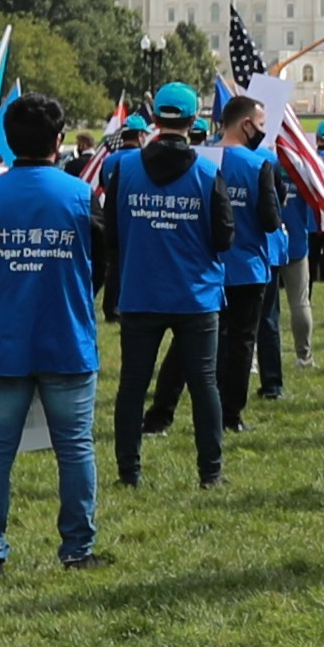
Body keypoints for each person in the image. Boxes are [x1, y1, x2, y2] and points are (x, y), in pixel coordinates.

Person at [0, 93, 104, 576]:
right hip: (66, 337)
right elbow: (102, 260)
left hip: (1, 339)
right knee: (75, 447)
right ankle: (77, 551)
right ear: (59, 141)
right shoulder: (81, 196)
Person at [100, 83, 235, 490]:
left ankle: (129, 472)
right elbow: (224, 237)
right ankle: (210, 473)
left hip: (141, 292)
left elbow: (111, 234)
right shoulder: (209, 172)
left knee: (132, 385)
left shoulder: (123, 168)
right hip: (196, 295)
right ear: (194, 121)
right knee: (204, 384)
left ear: (154, 120)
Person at [206, 93, 289, 435]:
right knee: (241, 343)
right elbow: (270, 220)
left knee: (210, 342)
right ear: (245, 124)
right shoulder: (259, 165)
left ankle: (197, 407)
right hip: (248, 266)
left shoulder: (204, 160)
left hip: (210, 266)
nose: (262, 132)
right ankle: (230, 414)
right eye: (260, 125)